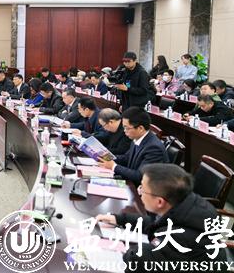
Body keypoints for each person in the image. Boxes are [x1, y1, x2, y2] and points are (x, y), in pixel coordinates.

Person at [96, 164, 226, 270]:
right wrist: (120, 219)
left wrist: (126, 250)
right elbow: (156, 223)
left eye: (142, 189)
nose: (139, 192)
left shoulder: (180, 239)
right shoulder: (187, 204)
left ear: (159, 202)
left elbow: (138, 260)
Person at [98, 107, 168, 185]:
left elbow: (140, 176)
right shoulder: (137, 138)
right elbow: (126, 158)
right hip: (129, 181)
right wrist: (106, 157)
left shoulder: (154, 148)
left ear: (140, 128)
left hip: (139, 188)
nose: (124, 131)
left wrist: (114, 166)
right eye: (123, 127)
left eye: (126, 128)